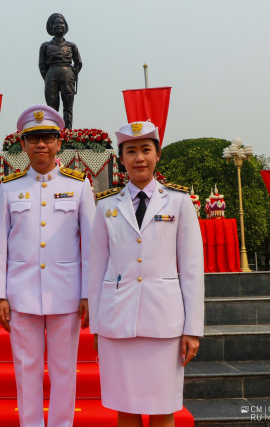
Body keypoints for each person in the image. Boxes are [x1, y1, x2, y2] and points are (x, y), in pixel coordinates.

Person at [88, 122, 204, 427]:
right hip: (118, 322)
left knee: (162, 407)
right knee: (125, 407)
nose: (139, 158)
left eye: (145, 150)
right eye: (131, 151)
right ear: (121, 159)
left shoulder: (179, 202)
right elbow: (97, 269)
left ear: (157, 155)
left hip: (164, 324)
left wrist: (192, 328)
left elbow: (192, 269)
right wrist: (97, 328)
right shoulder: (106, 206)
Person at [0, 104, 95, 427]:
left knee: (65, 372)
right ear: (23, 145)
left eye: (48, 138)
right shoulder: (9, 188)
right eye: (33, 139)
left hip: (66, 295)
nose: (41, 145)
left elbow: (90, 246)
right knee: (26, 371)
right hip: (21, 295)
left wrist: (88, 293)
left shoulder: (78, 186)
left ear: (59, 142)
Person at [39, 13, 82, 129]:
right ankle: (53, 130)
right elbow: (42, 65)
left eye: (61, 23)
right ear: (52, 27)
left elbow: (78, 63)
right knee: (52, 106)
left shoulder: (71, 46)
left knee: (68, 105)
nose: (59, 25)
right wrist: (47, 77)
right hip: (51, 74)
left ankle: (67, 131)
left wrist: (72, 74)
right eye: (56, 23)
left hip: (67, 74)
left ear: (65, 26)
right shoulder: (45, 46)